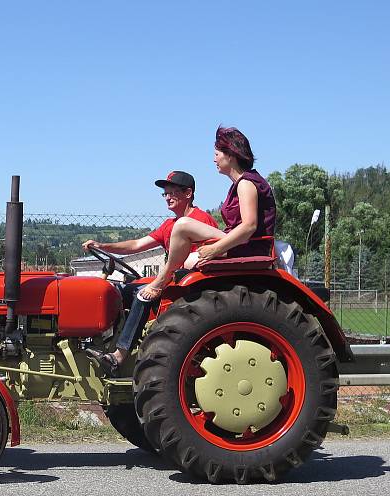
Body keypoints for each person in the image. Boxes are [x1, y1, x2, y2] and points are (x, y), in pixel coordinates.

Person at [82, 171, 218, 377]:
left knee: (141, 295)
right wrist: (103, 245)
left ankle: (119, 355)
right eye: (165, 194)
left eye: (173, 192)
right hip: (169, 281)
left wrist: (158, 284)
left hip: (186, 286)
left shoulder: (201, 220)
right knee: (118, 290)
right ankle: (102, 342)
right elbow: (137, 244)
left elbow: (205, 257)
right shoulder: (170, 225)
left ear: (188, 193)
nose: (168, 197)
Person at [140, 126, 276, 302]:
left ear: (231, 154)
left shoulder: (246, 183)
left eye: (217, 154)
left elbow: (249, 226)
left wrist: (215, 249)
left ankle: (163, 278)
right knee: (188, 259)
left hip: (250, 245)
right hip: (243, 243)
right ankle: (169, 280)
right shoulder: (242, 182)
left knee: (182, 225)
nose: (214, 160)